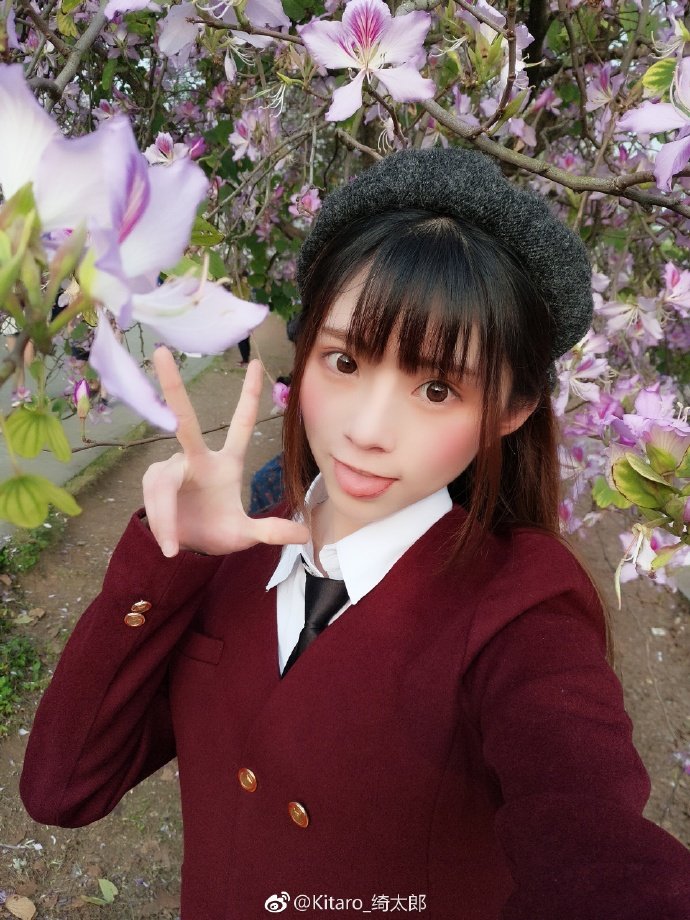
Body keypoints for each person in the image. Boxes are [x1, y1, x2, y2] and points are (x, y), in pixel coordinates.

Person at [20, 148, 690, 919]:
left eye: (436, 388)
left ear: (511, 411)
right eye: (343, 361)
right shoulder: (240, 550)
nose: (367, 430)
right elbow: (63, 789)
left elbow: (590, 832)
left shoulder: (524, 612)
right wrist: (175, 559)